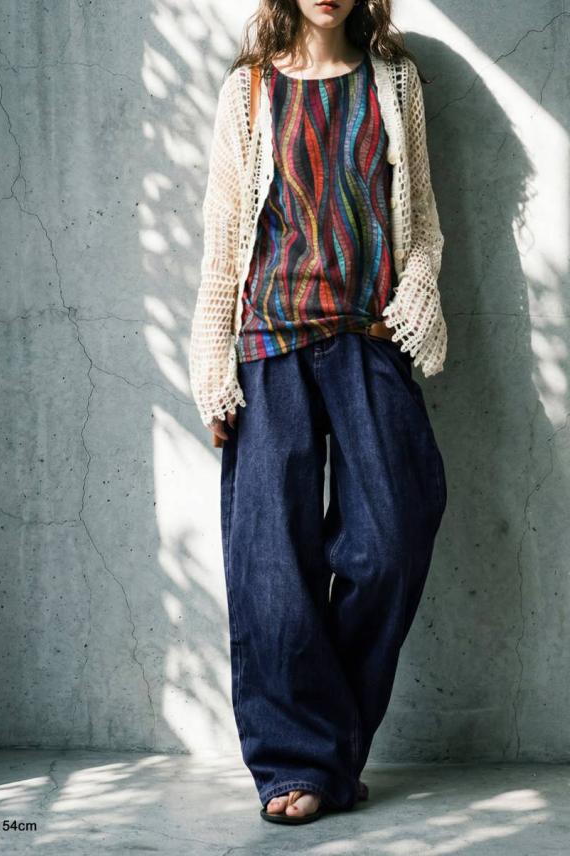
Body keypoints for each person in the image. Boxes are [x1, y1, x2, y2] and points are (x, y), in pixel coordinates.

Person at [189, 0, 448, 826]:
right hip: (269, 344)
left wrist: (415, 294)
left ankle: (326, 747)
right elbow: (224, 237)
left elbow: (423, 225)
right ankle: (299, 765)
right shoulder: (249, 90)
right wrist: (211, 366)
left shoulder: (394, 83)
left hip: (369, 338)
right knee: (272, 566)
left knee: (393, 540)